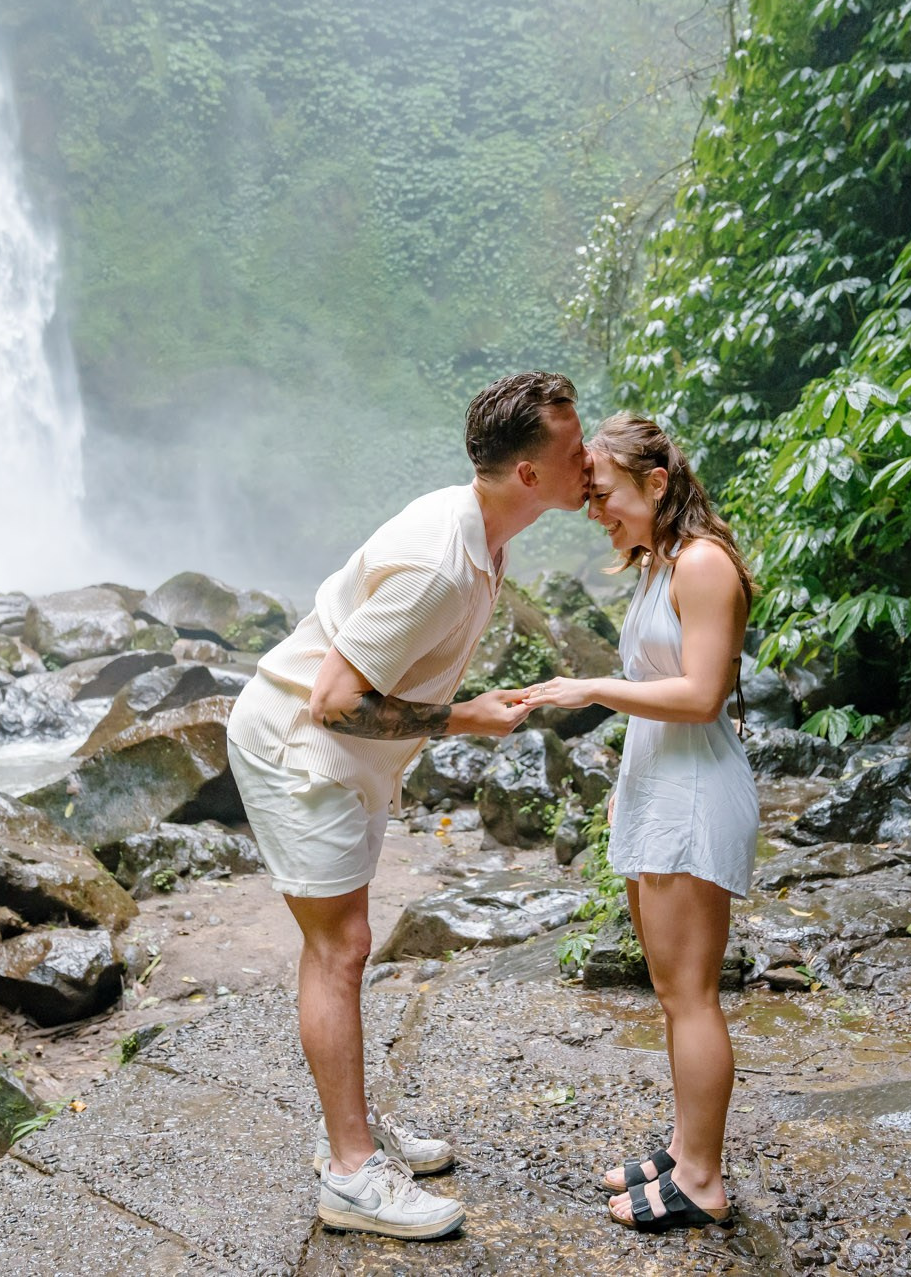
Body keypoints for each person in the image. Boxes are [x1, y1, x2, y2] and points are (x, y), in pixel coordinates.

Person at [225, 371, 592, 1241]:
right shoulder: (438, 565)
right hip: (298, 746)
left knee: (343, 943)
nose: (591, 460)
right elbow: (333, 699)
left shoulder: (486, 538)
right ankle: (351, 1174)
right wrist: (464, 716)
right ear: (529, 474)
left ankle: (349, 1128)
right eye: (576, 450)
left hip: (348, 754)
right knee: (341, 947)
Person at [520, 412, 758, 1234]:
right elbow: (661, 690)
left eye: (604, 495)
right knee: (670, 990)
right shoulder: (660, 562)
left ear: (656, 484)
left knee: (690, 994)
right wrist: (628, 781)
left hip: (694, 794)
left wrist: (589, 688)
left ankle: (703, 1179)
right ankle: (685, 1149)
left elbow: (701, 694)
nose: (595, 512)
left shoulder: (702, 563)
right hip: (660, 787)